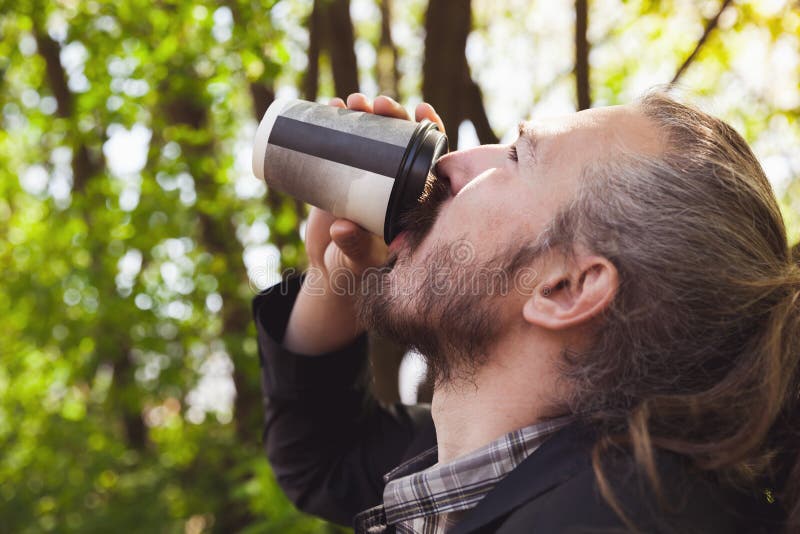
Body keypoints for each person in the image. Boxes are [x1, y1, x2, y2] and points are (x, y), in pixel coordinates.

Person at [252, 91, 799, 533]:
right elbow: (322, 456)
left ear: (564, 289)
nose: (449, 162)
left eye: (518, 155)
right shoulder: (511, 469)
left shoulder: (610, 521)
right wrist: (337, 274)